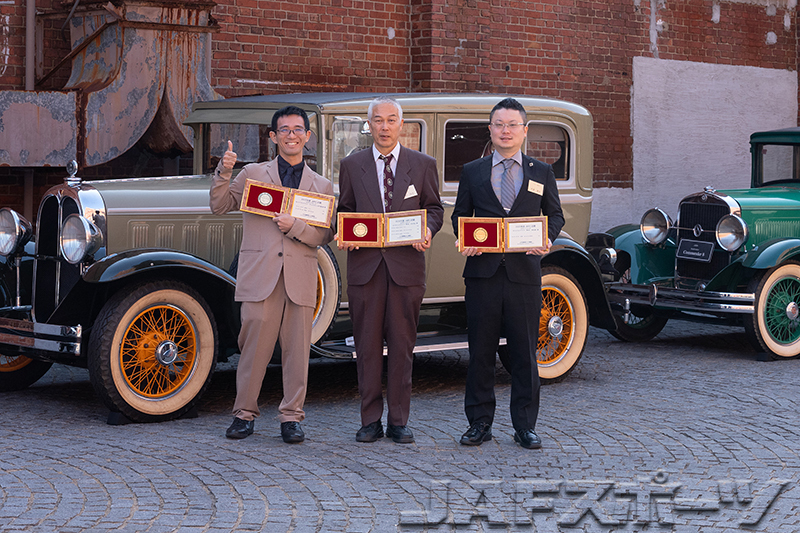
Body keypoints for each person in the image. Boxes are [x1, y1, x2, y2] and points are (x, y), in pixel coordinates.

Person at [210, 106, 334, 443]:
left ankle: (291, 417)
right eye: (284, 130)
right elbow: (219, 206)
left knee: (298, 352)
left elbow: (325, 234)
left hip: (300, 277)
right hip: (260, 276)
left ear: (307, 137)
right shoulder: (252, 173)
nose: (291, 135)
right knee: (253, 350)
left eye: (298, 130)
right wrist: (224, 171)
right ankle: (243, 414)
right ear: (273, 137)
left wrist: (296, 227)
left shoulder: (322, 185)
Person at [452, 97, 565, 449]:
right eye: (499, 124)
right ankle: (479, 423)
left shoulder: (541, 172)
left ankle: (525, 426)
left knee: (524, 354)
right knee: (480, 353)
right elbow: (460, 215)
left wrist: (547, 238)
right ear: (490, 129)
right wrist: (463, 238)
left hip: (523, 275)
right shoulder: (472, 170)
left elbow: (555, 215)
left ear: (524, 131)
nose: (506, 131)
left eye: (512, 125)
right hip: (482, 274)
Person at [337, 96, 444, 444]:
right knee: (367, 348)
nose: (384, 127)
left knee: (402, 347)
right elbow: (344, 210)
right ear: (369, 125)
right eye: (378, 120)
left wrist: (428, 230)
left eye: (391, 120)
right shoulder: (351, 165)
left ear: (401, 124)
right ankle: (370, 420)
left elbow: (434, 209)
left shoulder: (423, 164)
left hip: (406, 269)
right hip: (365, 269)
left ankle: (399, 420)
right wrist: (347, 232)